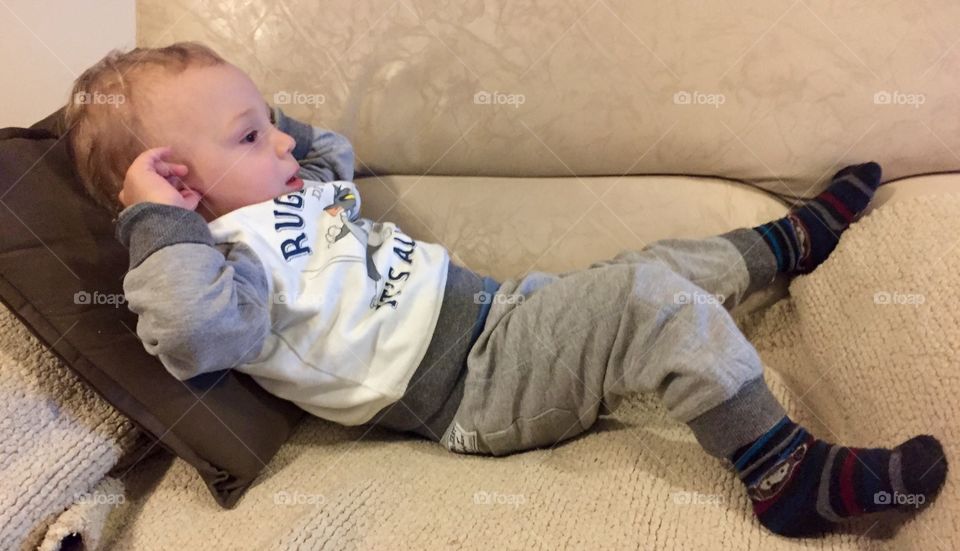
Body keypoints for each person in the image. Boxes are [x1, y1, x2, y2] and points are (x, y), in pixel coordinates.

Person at [64, 41, 947, 538]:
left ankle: (784, 240)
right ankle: (784, 471)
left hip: (502, 314)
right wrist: (158, 217)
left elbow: (331, 152)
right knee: (649, 299)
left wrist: (266, 128)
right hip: (472, 391)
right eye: (251, 134)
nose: (284, 146)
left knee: (658, 267)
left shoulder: (292, 189)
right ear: (176, 181)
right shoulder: (217, 264)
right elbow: (190, 334)